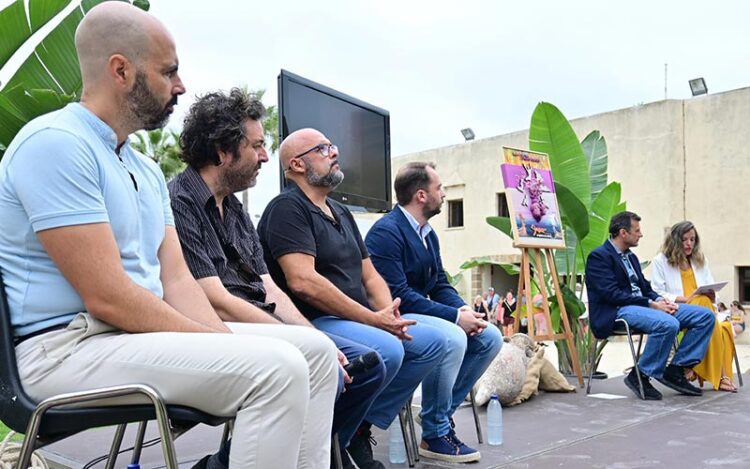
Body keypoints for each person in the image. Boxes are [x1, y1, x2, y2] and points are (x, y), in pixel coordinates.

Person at [0, 4, 338, 468]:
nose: (180, 86)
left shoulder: (144, 168)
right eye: (169, 72)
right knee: (276, 369)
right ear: (121, 70)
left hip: (127, 339)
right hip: (61, 350)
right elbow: (108, 297)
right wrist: (224, 347)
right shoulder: (56, 144)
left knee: (314, 352)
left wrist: (220, 340)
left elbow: (177, 280)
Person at [168, 88, 387, 468]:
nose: (266, 157)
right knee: (320, 366)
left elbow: (269, 287)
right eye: (257, 146)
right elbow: (215, 299)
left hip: (258, 325)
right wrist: (304, 340)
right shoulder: (180, 201)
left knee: (360, 363)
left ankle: (327, 454)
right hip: (216, 328)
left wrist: (314, 337)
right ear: (223, 150)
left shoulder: (235, 209)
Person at [257, 128, 446, 468]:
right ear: (297, 165)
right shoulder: (287, 208)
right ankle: (328, 445)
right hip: (312, 319)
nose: (335, 152)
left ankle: (355, 428)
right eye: (323, 148)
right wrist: (373, 319)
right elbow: (303, 282)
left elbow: (369, 273)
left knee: (432, 343)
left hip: (355, 318)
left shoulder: (340, 212)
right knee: (386, 349)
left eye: (332, 146)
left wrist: (389, 312)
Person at [365, 162, 502, 463]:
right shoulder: (386, 233)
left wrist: (462, 308)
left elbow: (439, 282)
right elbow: (398, 295)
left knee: (490, 336)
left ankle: (436, 417)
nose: (443, 194)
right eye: (439, 188)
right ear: (421, 195)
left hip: (419, 311)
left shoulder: (428, 234)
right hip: (388, 317)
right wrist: (455, 318)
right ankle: (436, 432)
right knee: (452, 336)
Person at [585, 211, 714, 400]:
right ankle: (640, 375)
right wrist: (651, 304)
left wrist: (661, 301)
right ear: (623, 233)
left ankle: (676, 369)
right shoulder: (599, 257)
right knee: (668, 323)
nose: (641, 234)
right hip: (618, 311)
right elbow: (611, 294)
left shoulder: (631, 258)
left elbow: (645, 287)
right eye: (636, 230)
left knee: (705, 316)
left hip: (644, 307)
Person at [651, 221, 738, 392]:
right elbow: (656, 291)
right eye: (684, 240)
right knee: (708, 313)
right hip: (677, 309)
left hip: (703, 308)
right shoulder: (660, 261)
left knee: (721, 326)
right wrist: (684, 298)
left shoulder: (700, 260)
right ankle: (720, 377)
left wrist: (713, 295)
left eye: (692, 239)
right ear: (675, 241)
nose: (689, 243)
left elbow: (711, 286)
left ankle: (691, 367)